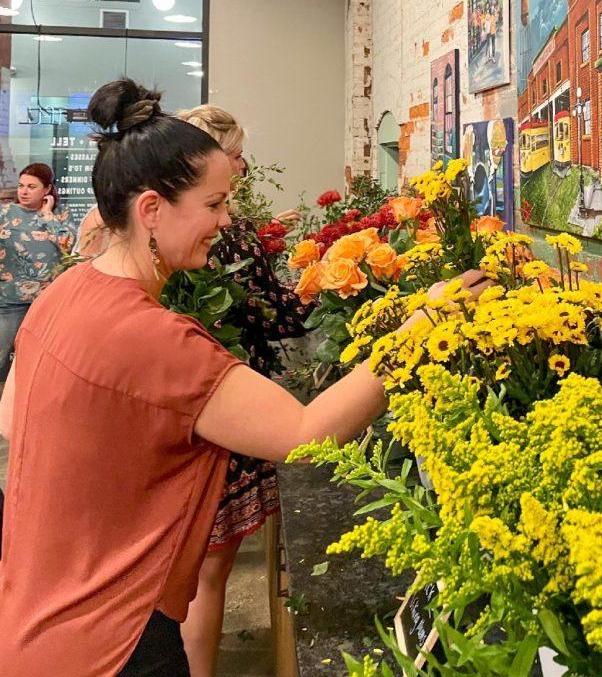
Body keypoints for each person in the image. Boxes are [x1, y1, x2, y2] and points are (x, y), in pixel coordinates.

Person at [0, 78, 489, 677]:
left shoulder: (65, 293)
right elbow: (304, 431)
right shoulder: (154, 338)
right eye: (213, 205)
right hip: (112, 640)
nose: (226, 220)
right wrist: (421, 327)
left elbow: (11, 418)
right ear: (151, 209)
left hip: (34, 618)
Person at [175, 104, 306, 677]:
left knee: (186, 563)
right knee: (209, 569)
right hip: (227, 406)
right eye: (235, 161)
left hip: (183, 408)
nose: (243, 171)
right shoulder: (230, 238)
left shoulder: (161, 235)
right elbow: (279, 318)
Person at [0, 163, 75, 385]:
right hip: (10, 299)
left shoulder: (60, 215)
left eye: (32, 186)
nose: (23, 191)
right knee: (1, 355)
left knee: (41, 357)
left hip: (48, 302)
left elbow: (68, 246)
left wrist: (46, 215)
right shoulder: (5, 213)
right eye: (21, 185)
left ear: (47, 189)